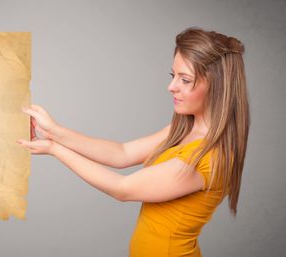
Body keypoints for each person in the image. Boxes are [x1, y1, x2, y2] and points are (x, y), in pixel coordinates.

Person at [16, 26, 250, 257]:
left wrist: (54, 148)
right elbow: (122, 153)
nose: (171, 87)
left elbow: (123, 189)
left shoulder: (212, 155)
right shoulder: (183, 129)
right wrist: (55, 131)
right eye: (173, 76)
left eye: (185, 80)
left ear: (217, 86)